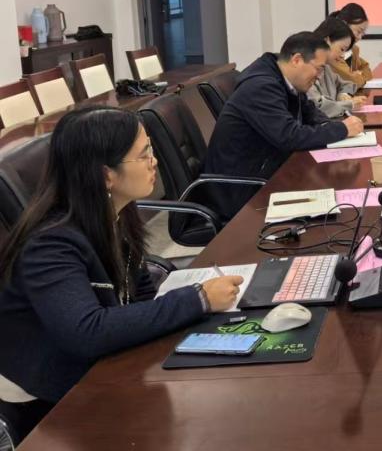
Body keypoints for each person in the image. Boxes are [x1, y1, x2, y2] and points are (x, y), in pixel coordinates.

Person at [0, 108, 243, 443]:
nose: (154, 161)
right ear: (106, 175)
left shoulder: (115, 213)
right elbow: (85, 331)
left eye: (151, 149)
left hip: (98, 364)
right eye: (143, 154)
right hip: (48, 396)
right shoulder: (50, 245)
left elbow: (139, 294)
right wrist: (197, 299)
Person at [204, 32, 363, 211]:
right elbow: (289, 136)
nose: (319, 76)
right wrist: (341, 129)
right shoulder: (261, 87)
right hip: (243, 190)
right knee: (331, 203)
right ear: (297, 60)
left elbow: (310, 113)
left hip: (268, 171)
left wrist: (330, 125)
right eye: (319, 68)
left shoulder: (285, 79)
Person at [308, 16, 367, 118]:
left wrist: (343, 94)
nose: (342, 56)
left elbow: (346, 84)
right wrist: (349, 104)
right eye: (342, 49)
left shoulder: (326, 67)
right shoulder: (306, 68)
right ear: (327, 41)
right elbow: (317, 107)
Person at [329, 2, 374, 90]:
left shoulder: (354, 49)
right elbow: (353, 81)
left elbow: (367, 70)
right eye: (358, 31)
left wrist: (358, 75)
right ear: (344, 24)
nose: (360, 37)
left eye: (363, 34)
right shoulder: (332, 50)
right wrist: (357, 76)